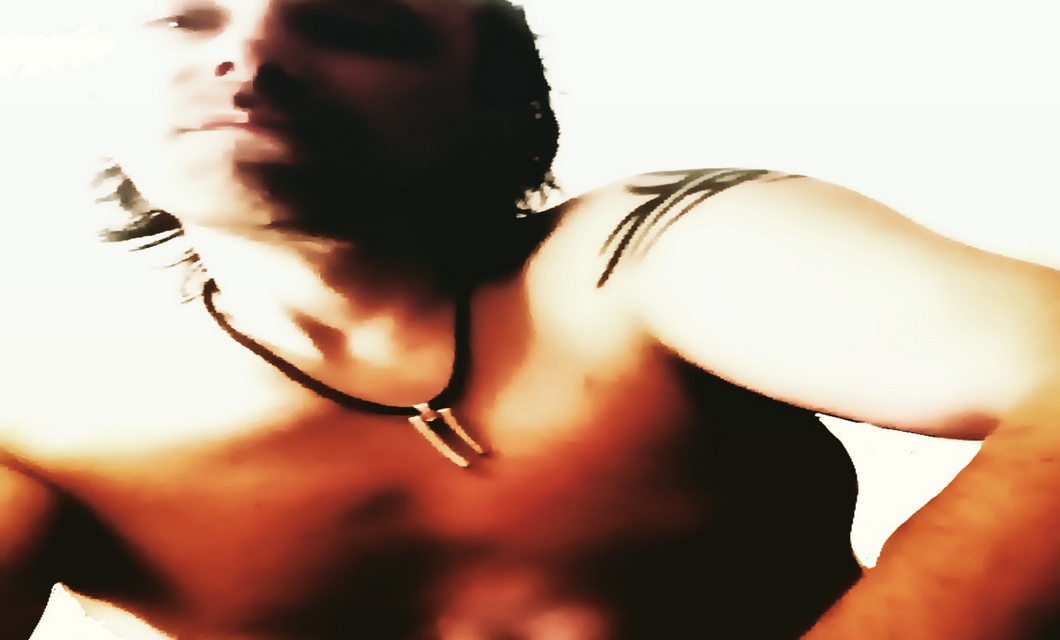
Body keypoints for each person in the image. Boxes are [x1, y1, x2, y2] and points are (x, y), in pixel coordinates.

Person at [3, 0, 1060, 638]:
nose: (251, 51)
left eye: (357, 25)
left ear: (497, 113)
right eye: (181, 20)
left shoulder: (645, 253)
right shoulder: (48, 431)